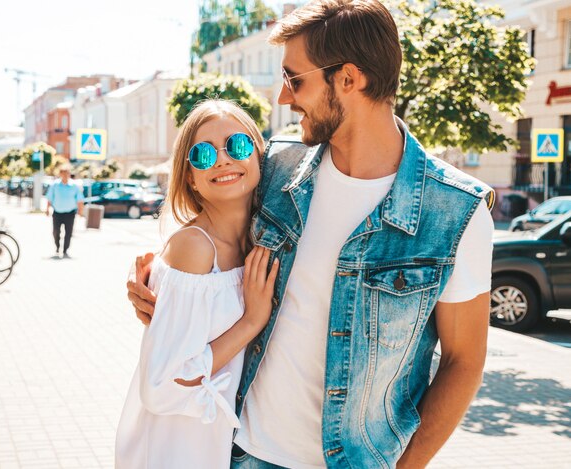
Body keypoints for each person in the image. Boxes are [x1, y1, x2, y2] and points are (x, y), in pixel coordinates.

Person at [127, 1, 495, 467]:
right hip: (241, 449)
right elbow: (212, 235)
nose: (283, 99)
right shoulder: (275, 167)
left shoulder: (456, 211)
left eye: (294, 79)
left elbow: (464, 362)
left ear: (348, 78)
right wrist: (166, 288)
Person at [115, 100, 279, 468]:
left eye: (237, 145)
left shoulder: (258, 241)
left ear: (258, 154)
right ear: (189, 176)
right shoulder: (195, 247)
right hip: (175, 450)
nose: (222, 160)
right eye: (203, 154)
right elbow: (161, 386)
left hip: (222, 446)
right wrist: (251, 322)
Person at [45, 164, 84, 258]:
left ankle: (65, 249)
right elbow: (50, 198)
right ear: (60, 174)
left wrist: (80, 211)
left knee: (69, 232)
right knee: (56, 231)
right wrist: (47, 209)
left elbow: (79, 199)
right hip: (57, 212)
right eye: (64, 173)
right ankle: (58, 247)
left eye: (67, 173)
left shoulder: (74, 186)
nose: (66, 175)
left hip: (70, 213)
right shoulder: (55, 185)